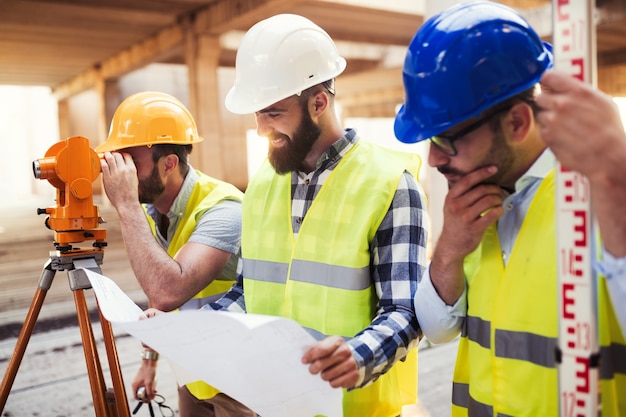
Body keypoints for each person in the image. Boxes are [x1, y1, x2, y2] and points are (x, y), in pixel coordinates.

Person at [393, 2, 626, 416]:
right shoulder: (474, 203)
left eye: (445, 139)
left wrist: (615, 182)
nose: (432, 160)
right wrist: (448, 251)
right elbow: (437, 329)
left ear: (517, 123)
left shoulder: (600, 194)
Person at [190, 13, 427, 417]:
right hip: (268, 402)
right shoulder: (263, 183)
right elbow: (247, 293)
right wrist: (192, 326)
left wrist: (357, 356)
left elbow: (404, 312)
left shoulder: (390, 184)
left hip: (349, 408)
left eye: (274, 113)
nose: (263, 129)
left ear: (318, 102)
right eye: (258, 115)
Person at [96, 91, 256, 417]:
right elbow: (160, 283)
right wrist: (150, 362)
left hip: (237, 374)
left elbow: (167, 289)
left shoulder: (222, 209)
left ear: (169, 164)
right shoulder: (155, 210)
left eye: (131, 162)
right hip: (192, 368)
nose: (121, 171)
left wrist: (125, 205)